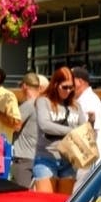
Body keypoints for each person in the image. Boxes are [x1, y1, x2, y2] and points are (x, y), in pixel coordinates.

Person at [32, 66, 83, 194]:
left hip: (69, 160)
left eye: (71, 87)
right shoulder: (43, 101)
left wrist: (91, 123)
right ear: (55, 85)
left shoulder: (75, 106)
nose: (68, 91)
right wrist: (70, 130)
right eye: (64, 87)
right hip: (46, 157)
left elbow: (83, 129)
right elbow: (44, 125)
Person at [71, 66, 101, 191]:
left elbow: (92, 133)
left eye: (71, 79)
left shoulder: (90, 100)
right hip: (81, 161)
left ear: (79, 82)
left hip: (89, 162)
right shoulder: (79, 100)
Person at [10, 72, 44, 188]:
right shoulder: (44, 104)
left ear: (25, 86)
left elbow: (15, 125)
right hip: (39, 157)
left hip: (23, 159)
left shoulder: (28, 105)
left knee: (20, 197)